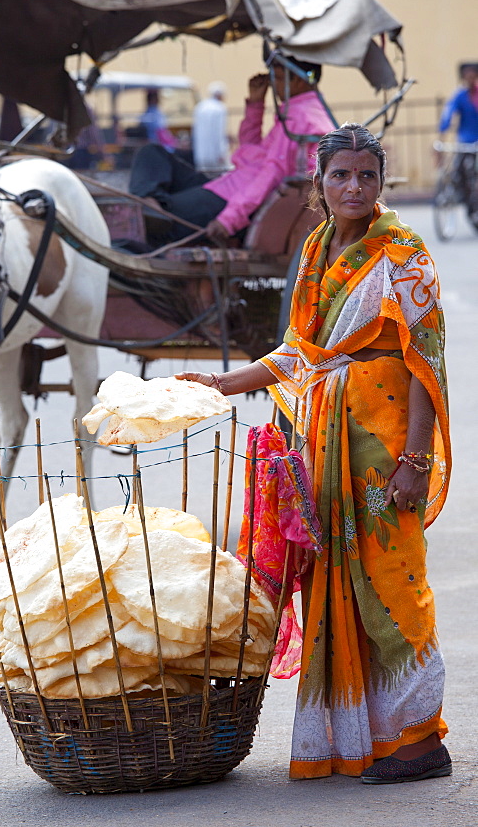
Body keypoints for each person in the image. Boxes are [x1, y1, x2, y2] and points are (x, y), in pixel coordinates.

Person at [178, 123, 452, 784]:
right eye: (340, 175)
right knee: (339, 585)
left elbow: (427, 365)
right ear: (316, 186)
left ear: (383, 183)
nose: (354, 186)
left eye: (367, 175)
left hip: (385, 444)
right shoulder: (315, 249)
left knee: (394, 585)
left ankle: (419, 739)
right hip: (329, 441)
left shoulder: (404, 253)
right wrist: (224, 382)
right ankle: (371, 738)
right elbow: (302, 351)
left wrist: (415, 462)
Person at [129, 58, 334, 246]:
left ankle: (150, 210)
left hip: (232, 199)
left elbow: (270, 174)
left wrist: (228, 220)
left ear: (298, 81)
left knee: (155, 221)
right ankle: (149, 202)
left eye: (278, 79)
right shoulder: (302, 111)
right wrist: (255, 104)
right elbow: (250, 151)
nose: (275, 86)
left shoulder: (299, 118)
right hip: (229, 184)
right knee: (152, 153)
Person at [438, 62, 478, 204]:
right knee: (459, 170)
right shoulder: (459, 96)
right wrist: (443, 132)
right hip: (466, 141)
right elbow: (448, 114)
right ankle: (462, 194)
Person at [192, 80, 229, 173]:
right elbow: (220, 132)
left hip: (201, 155)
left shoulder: (200, 107)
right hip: (215, 155)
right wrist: (221, 152)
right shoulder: (220, 108)